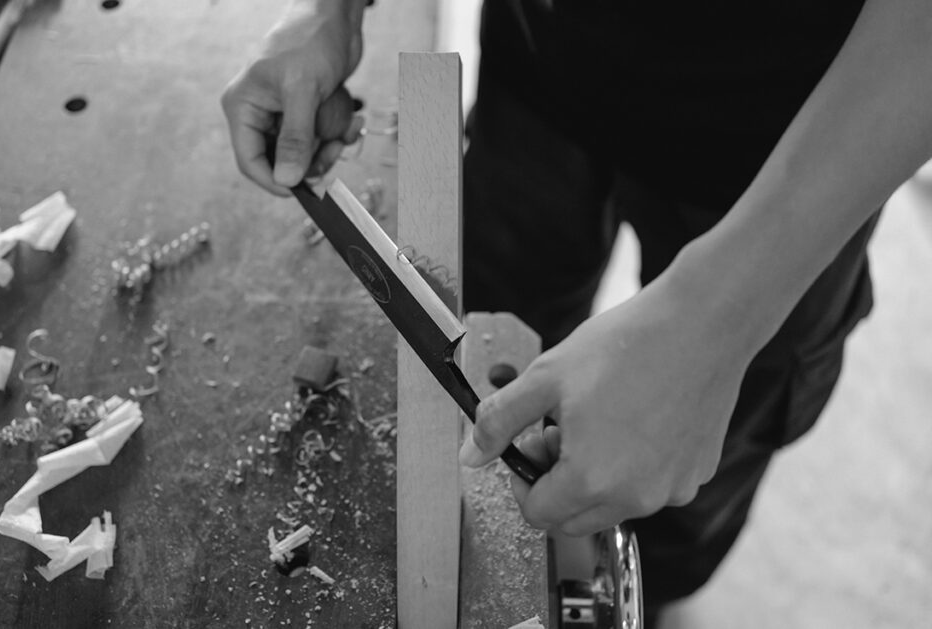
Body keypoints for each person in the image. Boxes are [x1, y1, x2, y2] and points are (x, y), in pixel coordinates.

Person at [222, 0, 932, 623]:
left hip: (804, 138)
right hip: (541, 65)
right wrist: (334, 8)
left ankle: (649, 588)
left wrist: (719, 318)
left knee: (677, 462)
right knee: (500, 345)